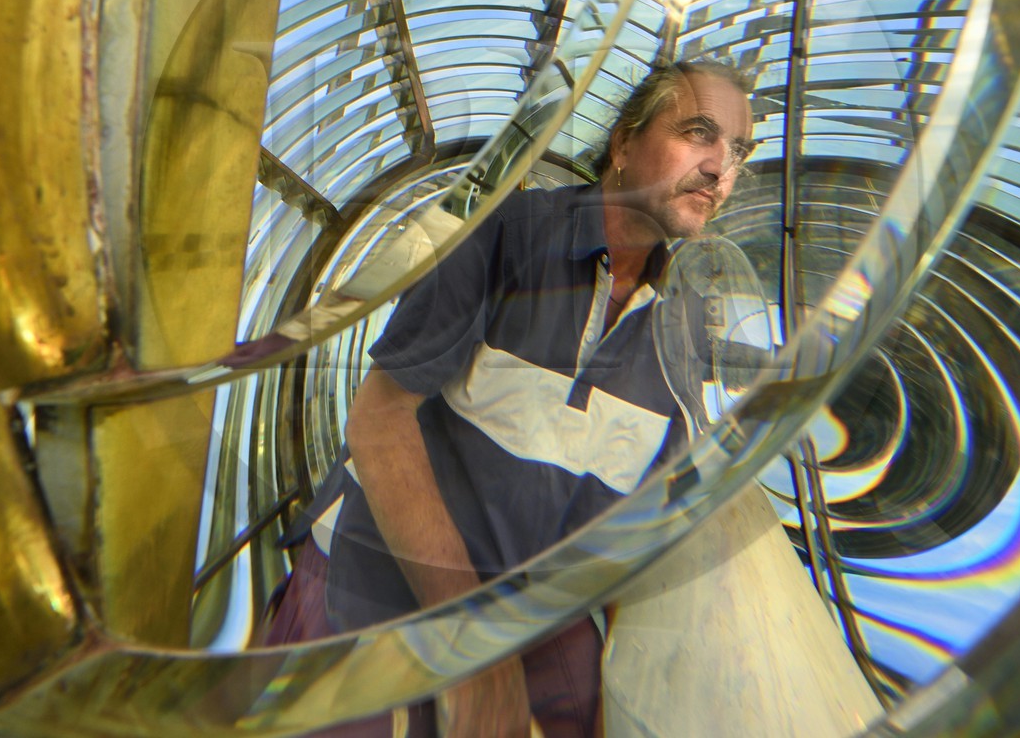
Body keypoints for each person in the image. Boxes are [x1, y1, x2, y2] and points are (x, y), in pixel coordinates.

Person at [265, 60, 755, 738]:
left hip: (519, 633)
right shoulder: (506, 231)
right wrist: (469, 645)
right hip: (366, 592)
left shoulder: (686, 334)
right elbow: (379, 422)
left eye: (738, 151)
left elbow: (638, 532)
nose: (719, 168)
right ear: (622, 143)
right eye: (699, 133)